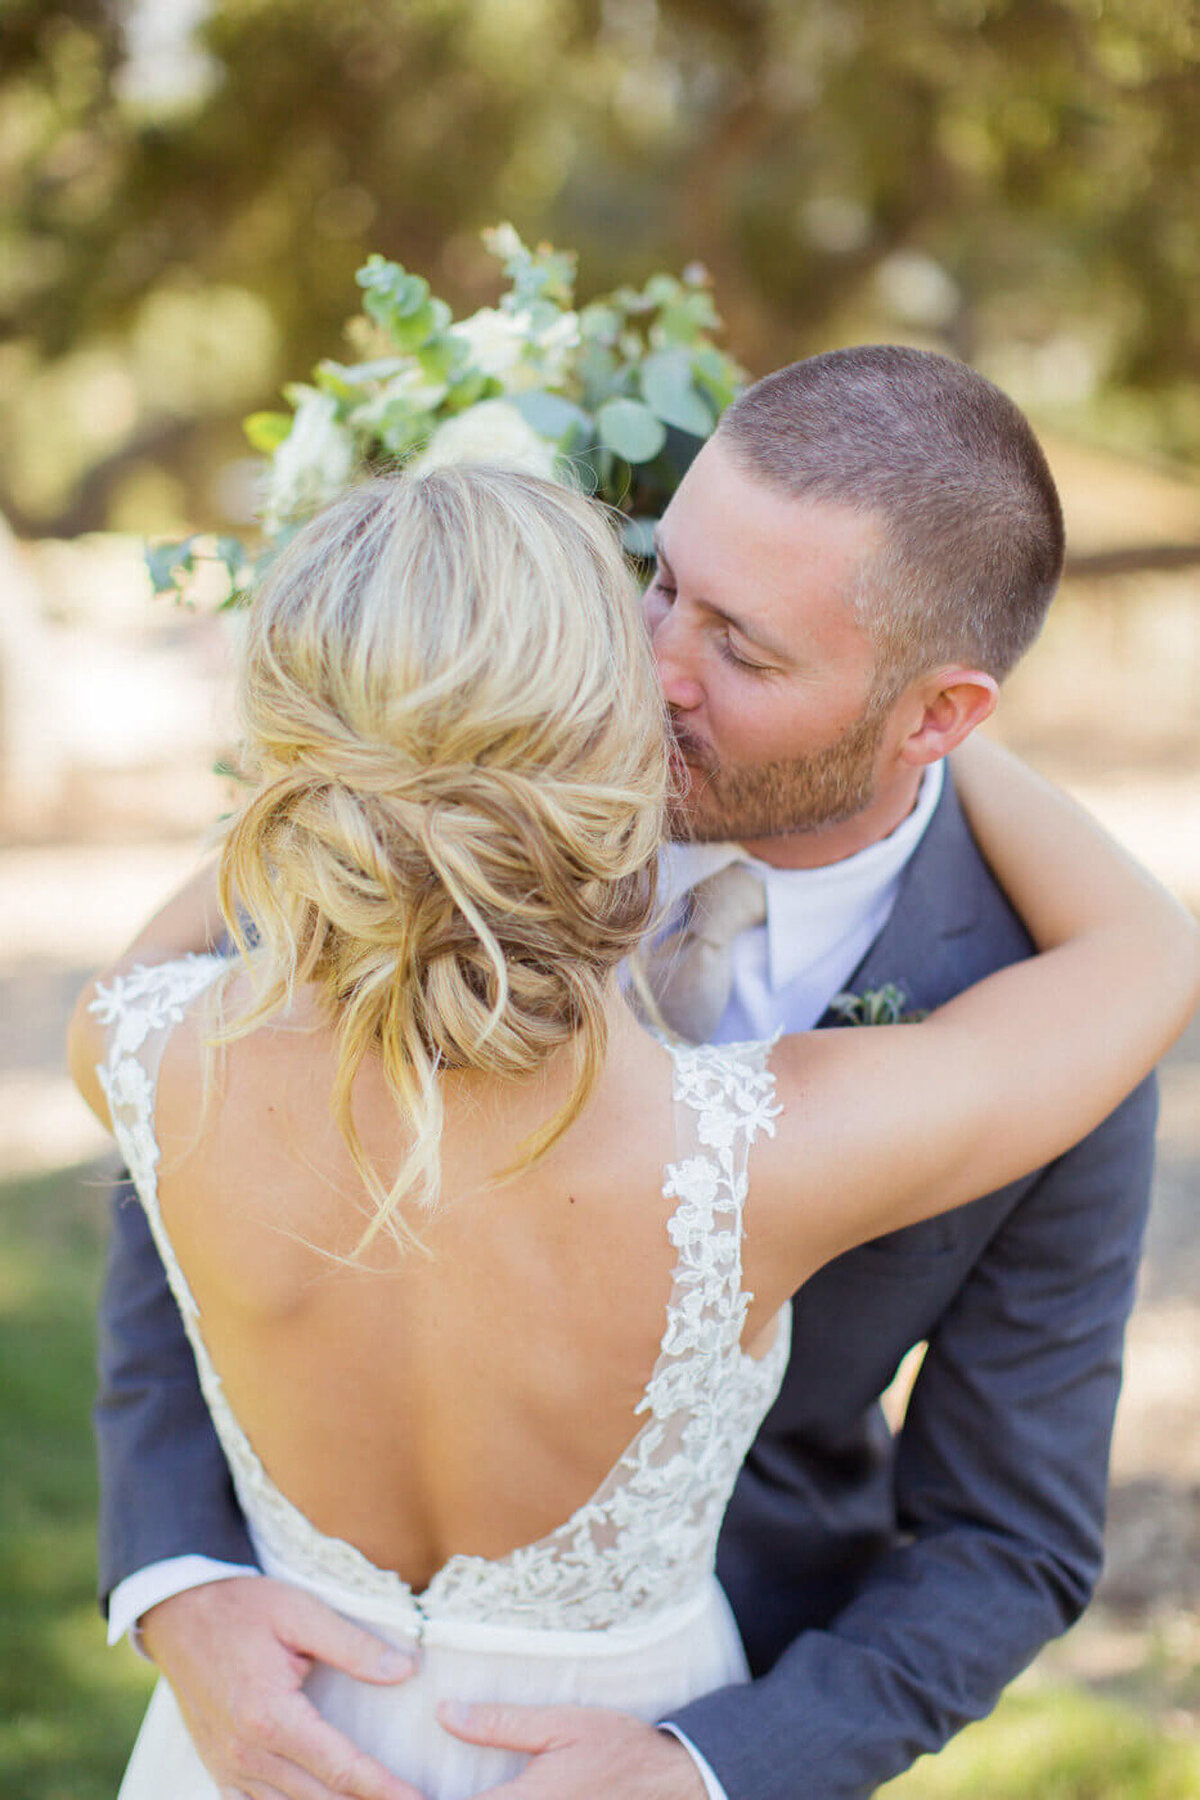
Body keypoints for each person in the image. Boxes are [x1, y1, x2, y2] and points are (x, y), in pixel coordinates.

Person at [86, 352, 1182, 1800]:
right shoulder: (851, 1104)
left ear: (937, 715)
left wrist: (719, 1769)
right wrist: (175, 1580)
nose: (655, 669)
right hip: (281, 1696)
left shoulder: (1029, 985)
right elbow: (169, 1242)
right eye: (661, 582)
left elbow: (1007, 1537)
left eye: (746, 645)